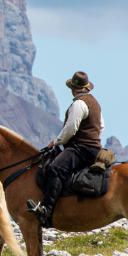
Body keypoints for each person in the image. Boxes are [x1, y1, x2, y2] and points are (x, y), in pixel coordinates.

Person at [27, 72, 102, 225]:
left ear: (73, 89)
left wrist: (56, 142)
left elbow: (71, 129)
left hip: (81, 148)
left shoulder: (79, 104)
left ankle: (46, 210)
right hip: (94, 147)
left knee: (55, 168)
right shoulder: (94, 102)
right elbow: (101, 126)